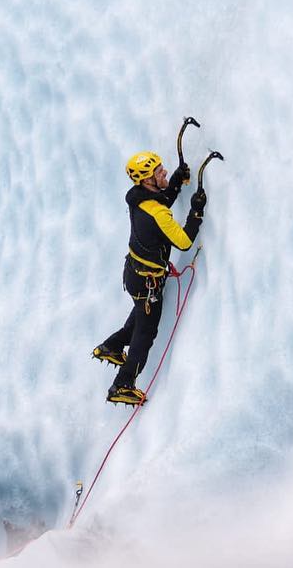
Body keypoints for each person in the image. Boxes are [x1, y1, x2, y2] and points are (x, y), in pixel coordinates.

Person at [93, 151, 207, 405]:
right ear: (147, 180)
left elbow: (160, 202)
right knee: (144, 336)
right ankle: (121, 385)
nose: (164, 172)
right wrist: (196, 212)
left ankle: (111, 346)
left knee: (138, 321)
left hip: (134, 276)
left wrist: (176, 181)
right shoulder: (156, 212)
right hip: (147, 284)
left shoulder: (139, 199)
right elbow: (184, 241)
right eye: (159, 172)